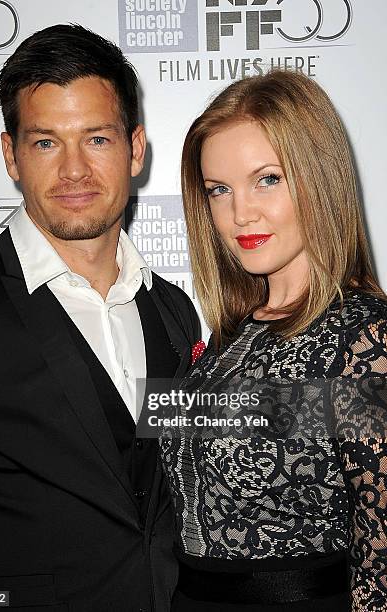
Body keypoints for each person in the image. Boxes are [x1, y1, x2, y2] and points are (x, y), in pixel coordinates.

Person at [0, 24, 200, 611]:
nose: (74, 170)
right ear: (10, 154)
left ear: (136, 149)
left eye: (97, 140)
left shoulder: (173, 310)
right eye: (46, 143)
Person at [159, 70, 387, 611]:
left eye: (268, 179)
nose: (241, 213)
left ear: (319, 177)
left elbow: (380, 559)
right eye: (219, 189)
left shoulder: (363, 336)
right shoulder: (225, 340)